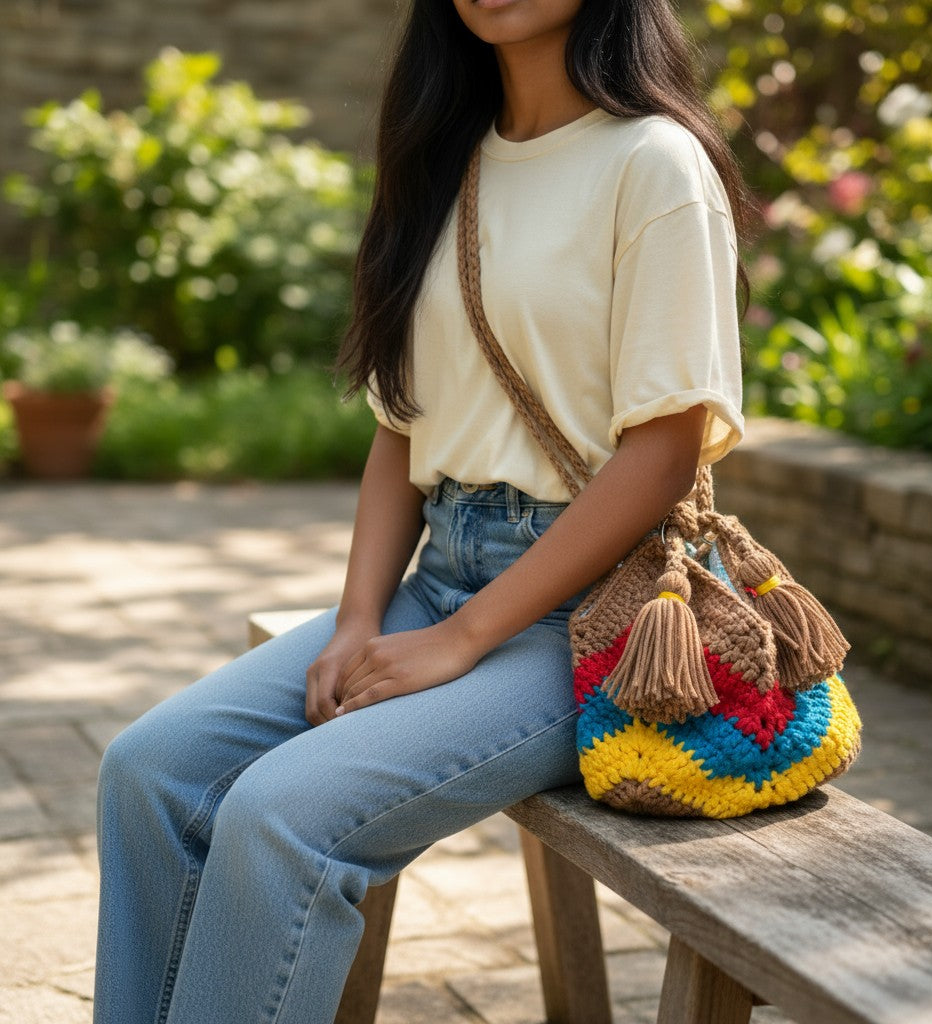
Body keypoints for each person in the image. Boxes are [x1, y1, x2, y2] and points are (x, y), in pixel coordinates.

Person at [93, 1, 750, 1021]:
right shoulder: (447, 157)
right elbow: (401, 426)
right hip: (439, 571)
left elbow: (661, 457)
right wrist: (358, 617)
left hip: (585, 615)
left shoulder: (655, 163)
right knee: (148, 771)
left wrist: (462, 638)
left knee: (280, 816)